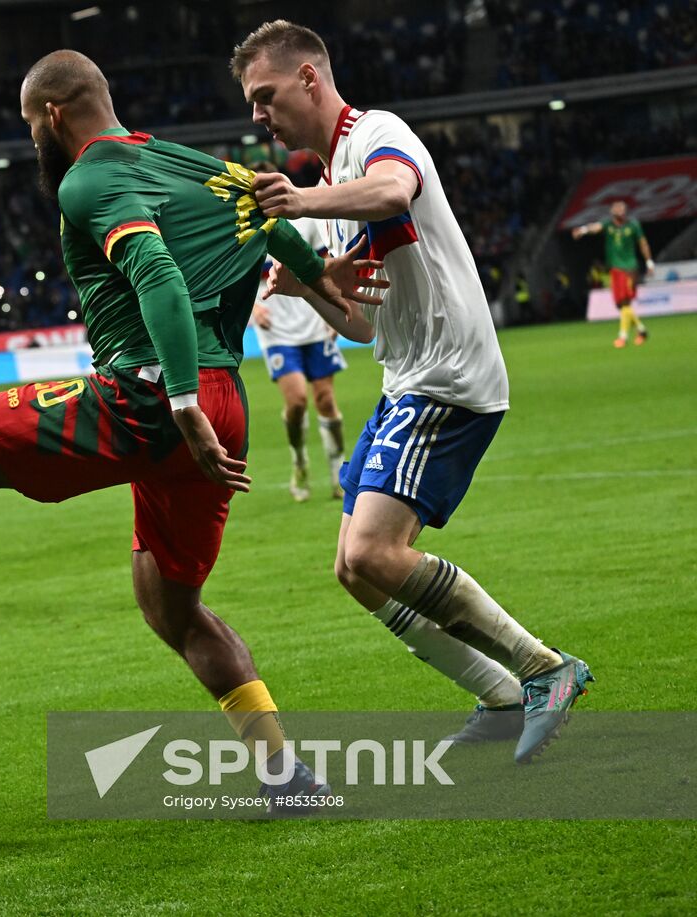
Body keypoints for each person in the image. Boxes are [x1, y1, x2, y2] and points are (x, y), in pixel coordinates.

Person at [0, 50, 386, 805]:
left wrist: (179, 401)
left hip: (157, 399)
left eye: (31, 124)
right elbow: (302, 258)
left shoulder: (90, 176)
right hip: (226, 409)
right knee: (171, 608)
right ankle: (286, 774)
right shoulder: (200, 168)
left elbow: (154, 274)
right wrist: (347, 298)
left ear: (52, 116)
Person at [233, 19, 593, 763]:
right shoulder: (334, 182)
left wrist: (299, 204)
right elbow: (361, 325)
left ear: (308, 77)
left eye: (264, 95)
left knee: (373, 550)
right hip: (407, 376)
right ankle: (497, 694)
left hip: (448, 372)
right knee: (353, 568)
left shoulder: (374, 136)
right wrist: (314, 284)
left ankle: (544, 668)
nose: (257, 115)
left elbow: (397, 186)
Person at [248, 163, 348, 502]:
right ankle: (300, 460)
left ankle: (337, 473)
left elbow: (325, 270)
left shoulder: (305, 224)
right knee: (297, 402)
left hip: (314, 323)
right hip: (276, 330)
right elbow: (232, 280)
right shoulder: (246, 230)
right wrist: (252, 310)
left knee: (325, 399)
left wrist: (333, 314)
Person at [571, 200, 654, 348]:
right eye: (618, 209)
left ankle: (622, 337)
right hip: (615, 269)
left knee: (625, 303)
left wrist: (649, 262)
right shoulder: (608, 225)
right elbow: (595, 227)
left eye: (623, 208)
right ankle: (642, 331)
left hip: (630, 268)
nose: (622, 211)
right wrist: (582, 230)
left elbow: (643, 243)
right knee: (620, 305)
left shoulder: (633, 225)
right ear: (612, 213)